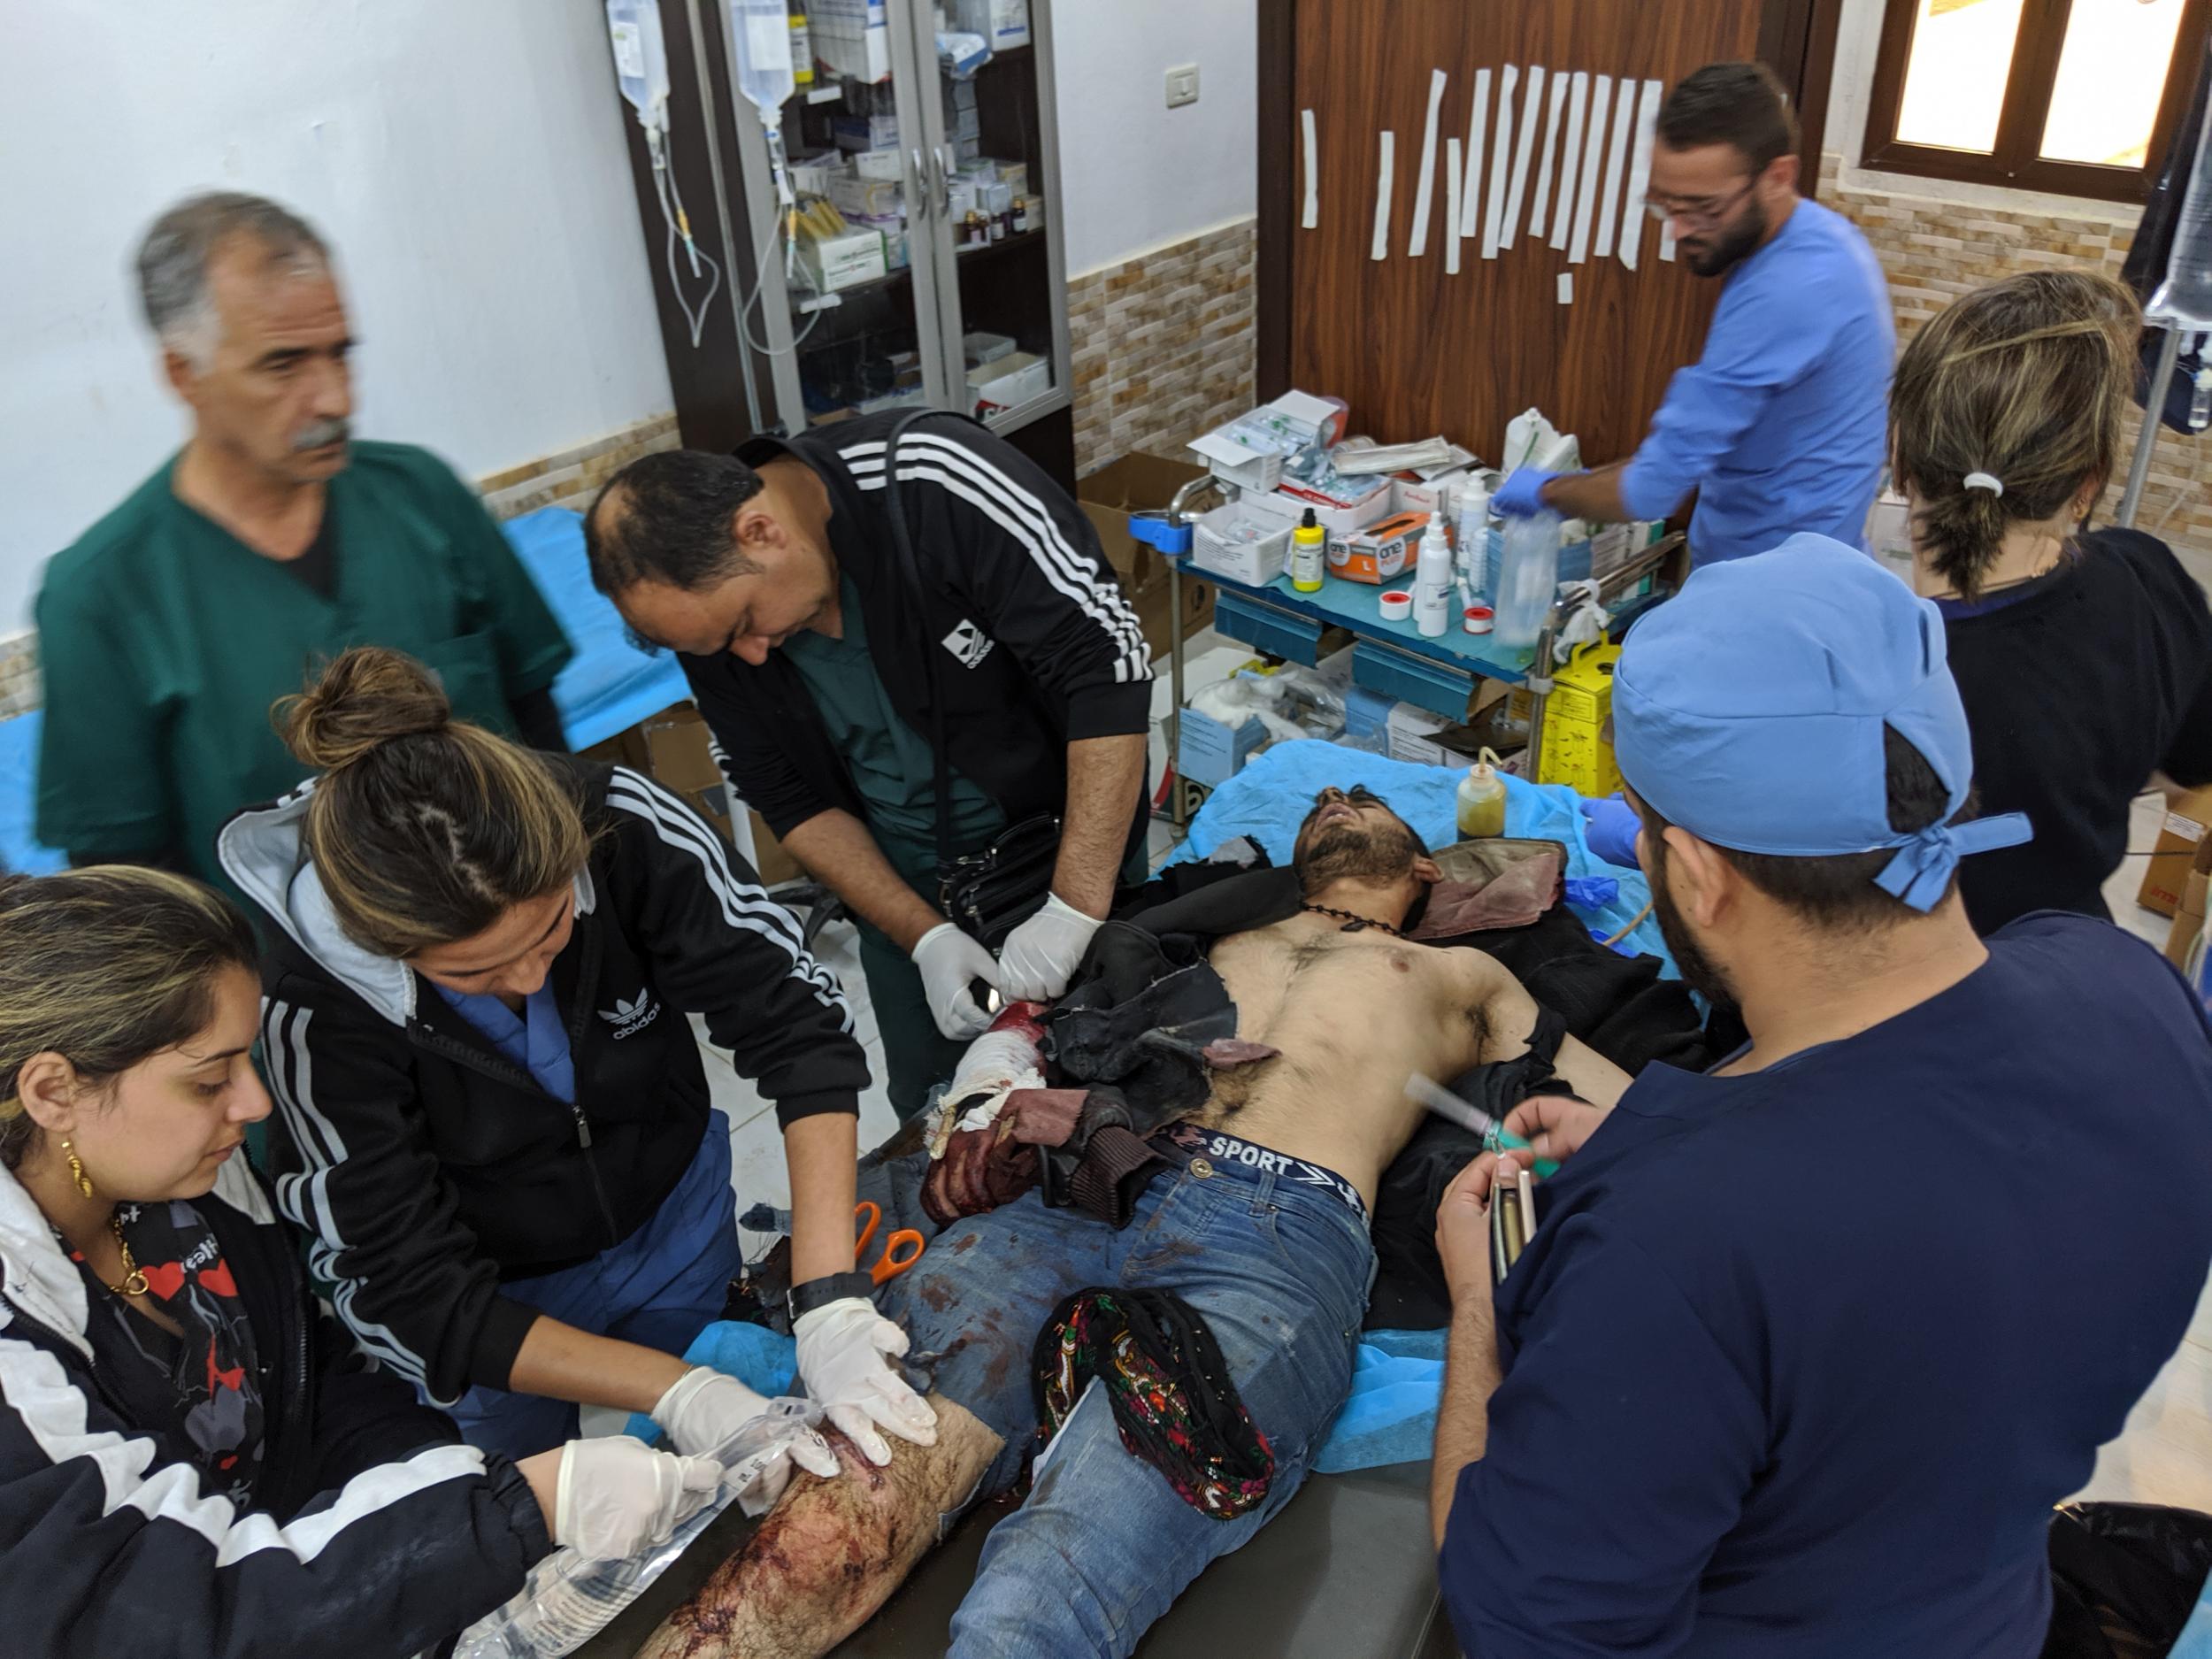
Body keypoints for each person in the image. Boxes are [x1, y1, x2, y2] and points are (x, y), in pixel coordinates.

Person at [1431, 540, 2212, 1655]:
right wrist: (1684, 1157)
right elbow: (1922, 1206)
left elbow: (1520, 1626)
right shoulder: (2133, 994)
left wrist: (1481, 1307)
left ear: (1694, 874)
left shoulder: (1673, 1245)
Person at [639, 786, 1634, 1659]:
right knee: (832, 1523)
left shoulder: (1469, 979)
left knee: (1041, 1591)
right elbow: (1057, 1031)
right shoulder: (1225, 935)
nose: (1333, 791)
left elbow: (1639, 1113)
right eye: (1320, 799)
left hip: (1277, 1232)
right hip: (1091, 1183)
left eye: (1364, 799)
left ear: (1422, 866)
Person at [0, 866, 772, 1658]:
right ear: (55, 1091)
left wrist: (451, 1488)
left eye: (246, 1060)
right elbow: (157, 1617)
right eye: (208, 1080)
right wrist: (512, 1513)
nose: (256, 1104)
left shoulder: (189, 1183)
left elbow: (313, 1377)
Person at [214, 647, 933, 1476]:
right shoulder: (316, 1004)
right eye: (472, 974)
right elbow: (411, 1290)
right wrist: (679, 1391)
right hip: (491, 1296)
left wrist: (827, 1300)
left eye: (553, 929)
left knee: (742, 1461)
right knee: (531, 1489)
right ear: (385, 951)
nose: (528, 978)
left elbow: (796, 1028)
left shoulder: (624, 826)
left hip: (671, 1213)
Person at [582, 412, 1153, 1118]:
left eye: (744, 624)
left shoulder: (934, 481)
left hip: (1070, 837)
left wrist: (1073, 906)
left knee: (1118, 1077)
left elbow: (1107, 667)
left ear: (760, 531)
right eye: (719, 647)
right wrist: (926, 936)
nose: (751, 655)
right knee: (939, 1113)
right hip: (908, 877)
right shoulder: (720, 638)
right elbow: (785, 796)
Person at [35, 191, 572, 887]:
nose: (336, 400)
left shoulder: (422, 497)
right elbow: (125, 886)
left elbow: (541, 728)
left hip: (520, 937)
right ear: (183, 374)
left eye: (340, 354)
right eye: (283, 365)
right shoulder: (101, 597)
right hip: (293, 990)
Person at [1888, 268, 2212, 933]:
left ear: (1901, 461)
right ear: (2087, 482)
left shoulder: (1877, 676)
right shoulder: (2148, 577)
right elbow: (2192, 774)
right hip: (2065, 960)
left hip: (1893, 1006)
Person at [1491, 63, 1893, 567]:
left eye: (1704, 210)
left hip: (1774, 584)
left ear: (1778, 177)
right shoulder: (1823, 239)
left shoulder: (1789, 290)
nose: (1678, 231)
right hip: (1805, 556)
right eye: (1664, 206)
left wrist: (1546, 493)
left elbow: (1650, 490)